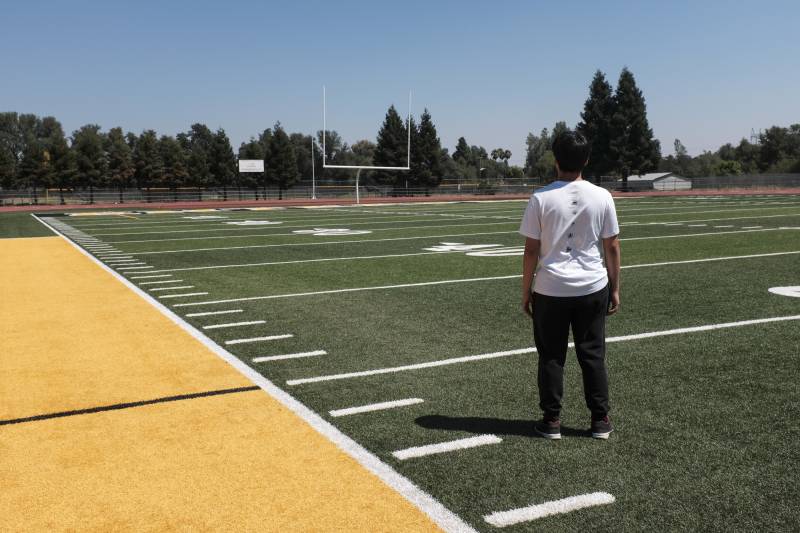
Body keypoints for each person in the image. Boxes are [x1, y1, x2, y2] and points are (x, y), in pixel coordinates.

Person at [519, 130, 621, 440]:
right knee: (592, 354)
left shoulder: (541, 197)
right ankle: (600, 420)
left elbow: (531, 250)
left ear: (555, 160)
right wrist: (615, 287)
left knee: (551, 356)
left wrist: (525, 291)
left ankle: (551, 421)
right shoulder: (602, 196)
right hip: (592, 286)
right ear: (586, 159)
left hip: (551, 289)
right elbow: (612, 246)